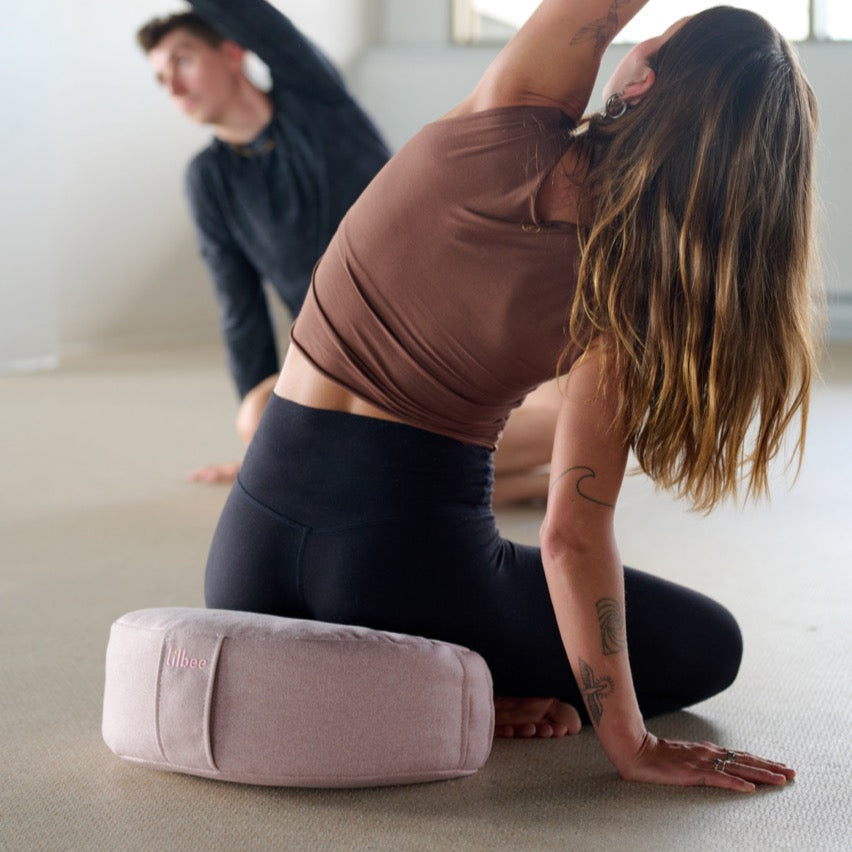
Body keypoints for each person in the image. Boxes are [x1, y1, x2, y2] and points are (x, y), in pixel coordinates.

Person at [205, 0, 818, 792]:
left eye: (648, 38)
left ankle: (415, 688)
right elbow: (571, 538)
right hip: (400, 578)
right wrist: (629, 743)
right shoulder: (628, 296)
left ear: (644, 77)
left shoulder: (509, 110)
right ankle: (450, 687)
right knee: (709, 644)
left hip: (244, 562)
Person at [137, 0, 562, 502]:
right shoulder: (208, 178)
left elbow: (263, 24)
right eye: (161, 77)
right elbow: (240, 306)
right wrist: (263, 453)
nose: (173, 85)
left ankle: (403, 481)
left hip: (452, 327)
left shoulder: (317, 102)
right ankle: (491, 487)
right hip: (347, 357)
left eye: (182, 61)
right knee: (257, 417)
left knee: (566, 414)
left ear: (232, 53)